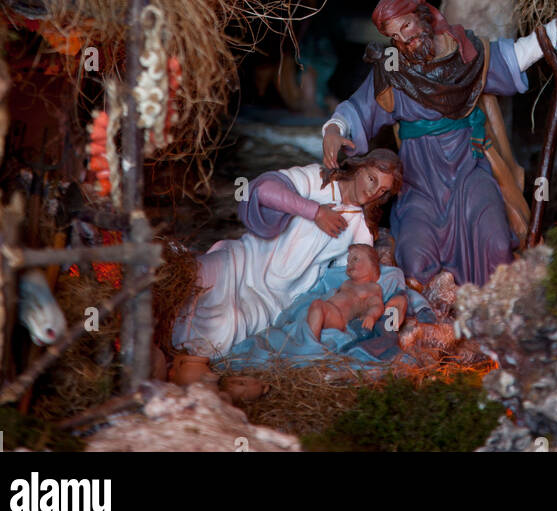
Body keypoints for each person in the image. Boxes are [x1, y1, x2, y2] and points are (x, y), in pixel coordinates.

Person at [321, 0, 557, 289]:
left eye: (407, 26)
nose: (405, 39)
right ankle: (433, 312)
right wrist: (334, 129)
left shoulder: (465, 54)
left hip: (470, 172)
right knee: (415, 264)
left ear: (422, 17)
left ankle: (487, 310)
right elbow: (359, 108)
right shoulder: (392, 71)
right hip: (420, 184)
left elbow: (513, 55)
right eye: (395, 36)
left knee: (497, 246)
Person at [171, 148, 402, 361]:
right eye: (372, 179)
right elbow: (262, 191)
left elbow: (362, 278)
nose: (373, 192)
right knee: (192, 278)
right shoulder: (319, 179)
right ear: (360, 169)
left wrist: (399, 296)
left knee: (223, 333)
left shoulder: (359, 230)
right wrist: (315, 212)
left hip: (274, 300)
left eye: (382, 190)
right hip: (243, 260)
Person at [307, 243, 408, 340]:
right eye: (348, 261)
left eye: (355, 259)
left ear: (371, 264)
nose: (349, 264)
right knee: (314, 307)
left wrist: (371, 316)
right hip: (327, 309)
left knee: (317, 305)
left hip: (339, 317)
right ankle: (311, 340)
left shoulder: (372, 287)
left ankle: (312, 343)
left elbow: (377, 305)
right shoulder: (347, 283)